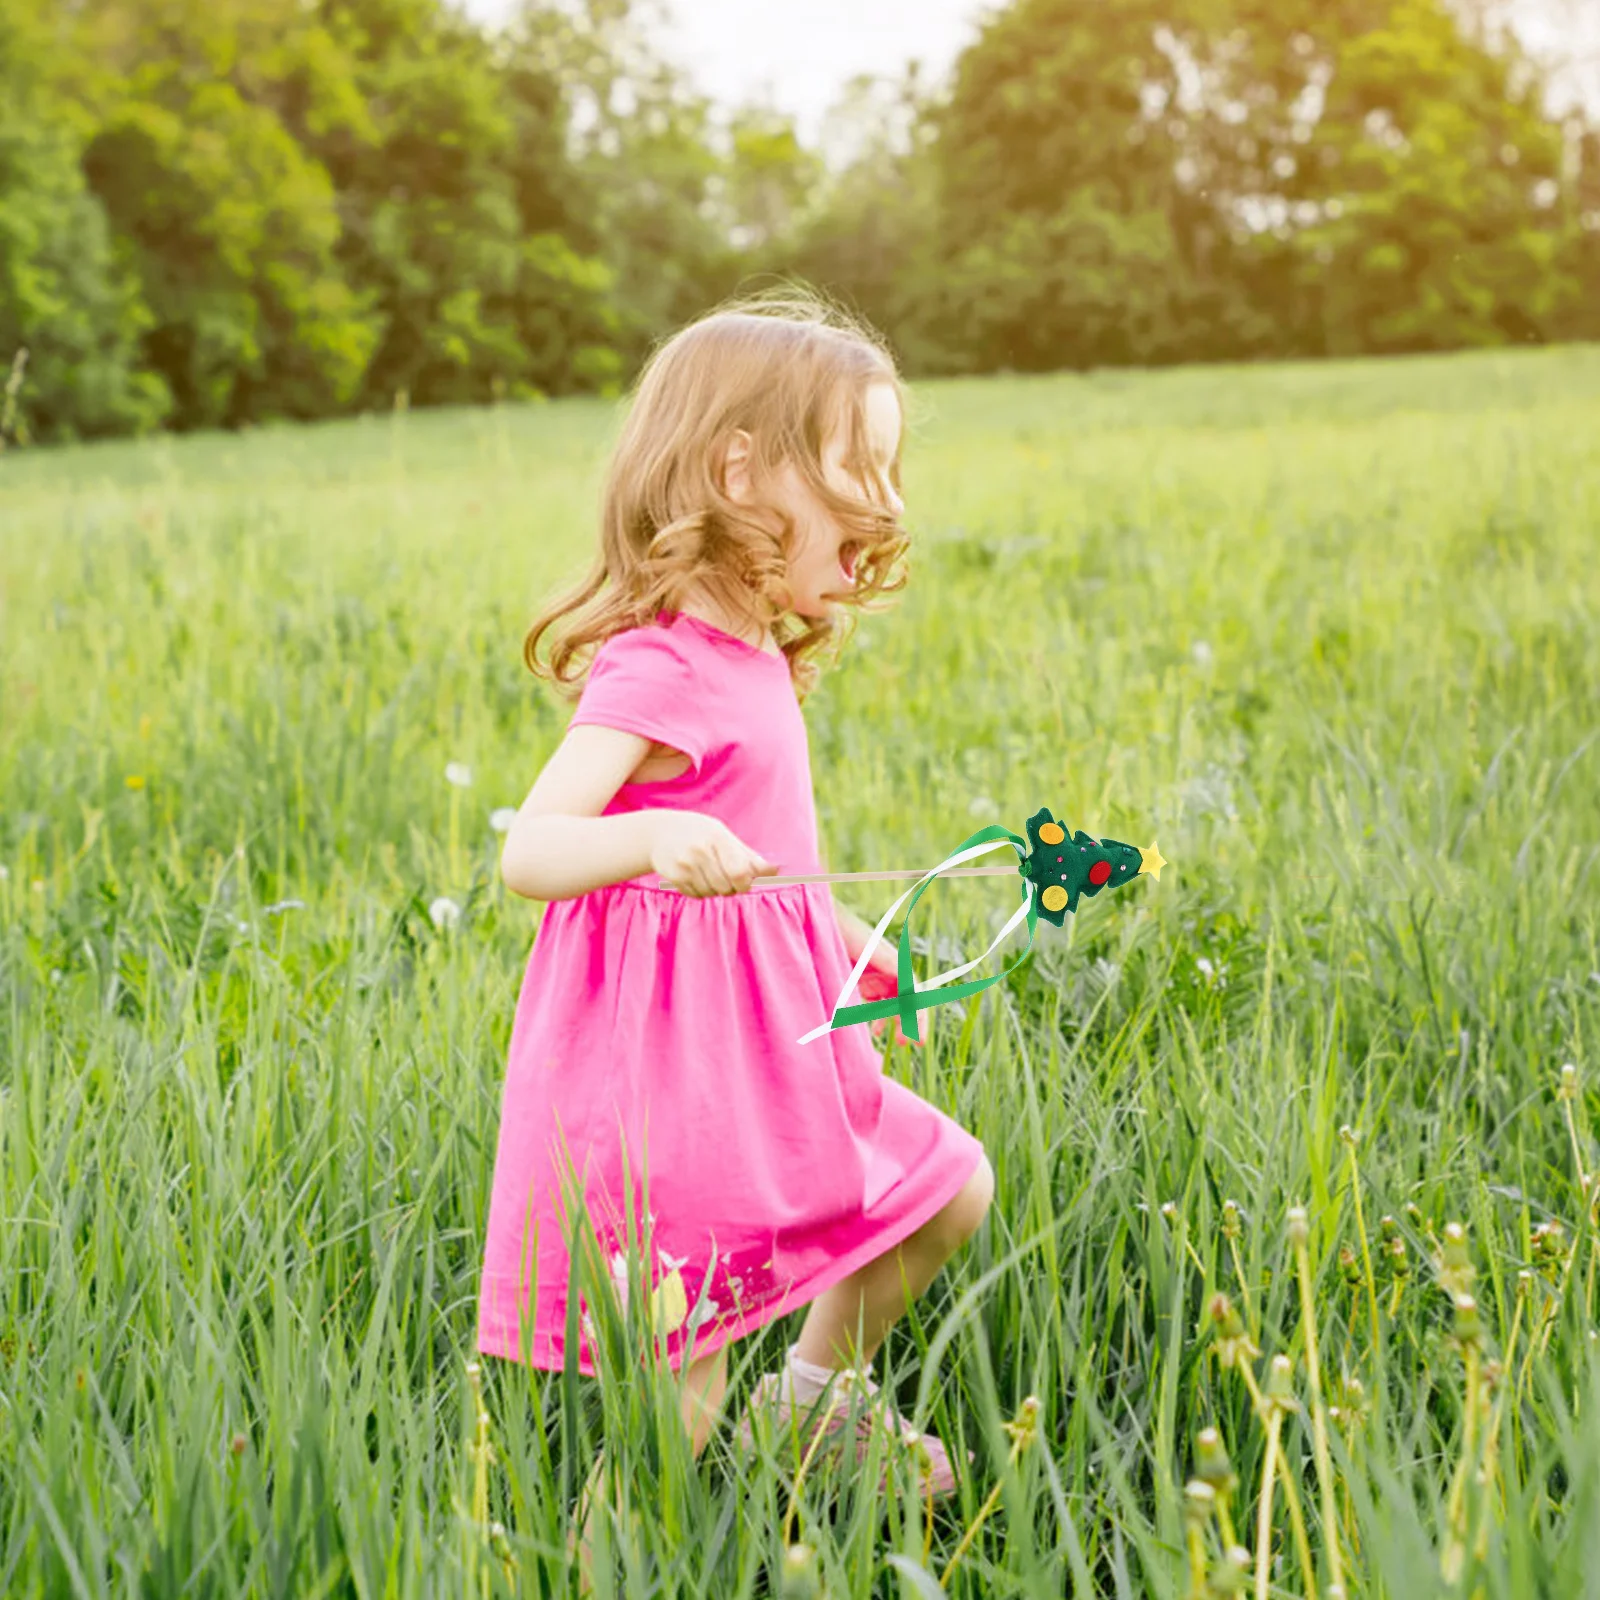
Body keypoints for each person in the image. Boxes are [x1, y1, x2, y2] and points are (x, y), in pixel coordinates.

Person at [475, 286, 995, 1574]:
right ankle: (603, 1567)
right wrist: (653, 838)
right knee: (684, 1380)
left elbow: (767, 858)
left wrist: (843, 933)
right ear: (736, 470)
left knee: (946, 1189)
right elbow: (530, 851)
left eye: (891, 466)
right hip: (678, 1083)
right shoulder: (657, 666)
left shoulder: (756, 653)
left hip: (770, 1053)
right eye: (857, 465)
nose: (886, 500)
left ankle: (809, 1402)